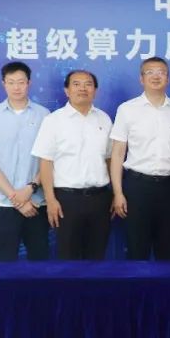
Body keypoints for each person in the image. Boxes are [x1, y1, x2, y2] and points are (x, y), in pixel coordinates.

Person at [109, 57, 170, 261]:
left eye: (161, 72)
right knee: (136, 248)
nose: (155, 76)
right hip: (137, 187)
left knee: (169, 249)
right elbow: (117, 153)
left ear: (168, 78)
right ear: (141, 79)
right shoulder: (127, 109)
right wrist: (118, 193)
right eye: (150, 72)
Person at [31, 70, 113, 260]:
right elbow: (45, 162)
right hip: (66, 200)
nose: (82, 88)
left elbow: (110, 158)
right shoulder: (53, 120)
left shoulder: (104, 119)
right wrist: (50, 200)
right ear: (67, 90)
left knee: (97, 255)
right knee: (68, 258)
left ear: (95, 90)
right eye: (76, 84)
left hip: (100, 198)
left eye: (88, 84)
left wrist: (116, 193)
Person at [0, 62, 51, 262]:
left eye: (21, 82)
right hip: (3, 203)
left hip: (37, 202)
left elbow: (49, 160)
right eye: (11, 82)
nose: (16, 87)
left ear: (29, 83)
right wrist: (16, 199)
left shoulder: (45, 115)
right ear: (4, 84)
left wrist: (30, 188)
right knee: (4, 264)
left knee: (40, 262)